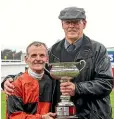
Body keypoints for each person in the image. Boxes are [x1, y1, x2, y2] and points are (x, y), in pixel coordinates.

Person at [1, 7, 114, 119]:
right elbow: (38, 72)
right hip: (60, 115)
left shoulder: (98, 50)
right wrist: (10, 79)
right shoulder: (52, 51)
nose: (71, 26)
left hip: (93, 115)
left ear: (84, 24)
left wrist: (77, 88)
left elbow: (106, 82)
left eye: (75, 22)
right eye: (67, 22)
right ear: (62, 25)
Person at [5, 41, 56, 119]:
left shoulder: (53, 81)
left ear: (47, 59)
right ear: (26, 59)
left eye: (42, 55)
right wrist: (41, 118)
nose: (38, 59)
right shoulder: (14, 84)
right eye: (33, 55)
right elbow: (14, 116)